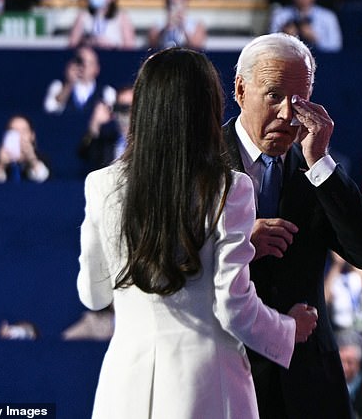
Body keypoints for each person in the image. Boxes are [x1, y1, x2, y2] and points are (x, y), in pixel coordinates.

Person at [77, 47, 318, 419]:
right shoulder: (230, 188)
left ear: (143, 108)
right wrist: (288, 330)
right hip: (207, 385)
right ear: (208, 109)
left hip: (125, 386)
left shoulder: (101, 185)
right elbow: (233, 306)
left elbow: (93, 295)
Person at [223, 32, 362, 419]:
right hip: (228, 373)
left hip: (309, 382)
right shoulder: (198, 160)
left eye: (299, 100)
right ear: (240, 89)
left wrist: (321, 163)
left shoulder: (317, 167)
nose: (287, 114)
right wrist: (234, 241)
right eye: (274, 95)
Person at [43, 45, 116, 116]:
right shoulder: (58, 86)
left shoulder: (107, 92)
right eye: (80, 61)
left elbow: (112, 116)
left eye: (89, 63)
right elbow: (50, 109)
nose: (83, 66)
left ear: (97, 69)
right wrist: (69, 83)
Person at [78, 84, 132, 172]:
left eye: (133, 107)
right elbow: (83, 155)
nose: (129, 113)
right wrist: (94, 125)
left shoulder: (150, 142)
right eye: (123, 108)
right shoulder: (106, 142)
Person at [0, 114, 50, 183]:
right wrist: (1, 164)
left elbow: (44, 179)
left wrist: (32, 160)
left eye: (24, 131)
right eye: (14, 131)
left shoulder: (42, 160)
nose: (19, 136)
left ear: (32, 135)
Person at [269, 0, 343, 52]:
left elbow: (336, 46)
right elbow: (269, 46)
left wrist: (316, 40)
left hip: (322, 61)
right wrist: (285, 38)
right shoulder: (280, 15)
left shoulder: (328, 16)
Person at [68, 0, 136, 49]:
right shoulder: (83, 15)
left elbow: (129, 47)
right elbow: (72, 45)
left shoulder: (122, 16)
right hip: (90, 58)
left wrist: (113, 46)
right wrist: (87, 41)